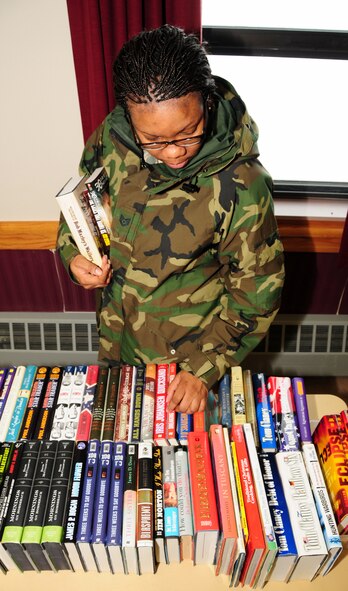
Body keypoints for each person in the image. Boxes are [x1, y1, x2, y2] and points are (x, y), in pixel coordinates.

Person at [57, 24, 285, 414]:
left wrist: (203, 369)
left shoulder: (241, 185)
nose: (174, 152)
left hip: (189, 368)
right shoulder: (112, 138)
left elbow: (257, 295)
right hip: (116, 342)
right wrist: (73, 255)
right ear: (129, 117)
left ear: (208, 102)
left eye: (189, 132)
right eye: (154, 140)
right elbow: (80, 208)